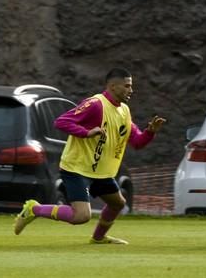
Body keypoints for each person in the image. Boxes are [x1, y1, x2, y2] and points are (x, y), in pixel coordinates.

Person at [13, 68, 166, 244]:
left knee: (117, 203)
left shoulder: (124, 111)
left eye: (131, 86)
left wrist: (150, 132)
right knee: (81, 216)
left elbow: (137, 143)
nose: (131, 90)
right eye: (127, 86)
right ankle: (34, 209)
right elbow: (61, 122)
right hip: (77, 169)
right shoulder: (95, 104)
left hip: (100, 172)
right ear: (113, 86)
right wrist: (86, 133)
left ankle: (98, 238)